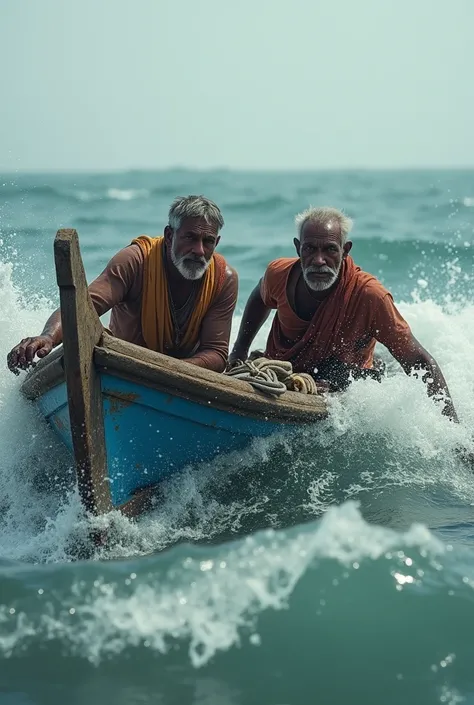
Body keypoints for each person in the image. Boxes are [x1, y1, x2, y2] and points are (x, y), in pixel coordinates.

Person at [229, 206, 458, 421]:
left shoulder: (369, 295)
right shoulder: (278, 274)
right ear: (298, 247)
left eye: (330, 249)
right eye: (310, 249)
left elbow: (418, 360)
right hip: (285, 373)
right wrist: (239, 349)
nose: (319, 260)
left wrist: (452, 431)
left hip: (347, 375)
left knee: (334, 371)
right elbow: (260, 296)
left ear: (345, 250)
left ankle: (374, 365)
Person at [7, 195, 238, 374]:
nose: (199, 251)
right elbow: (83, 309)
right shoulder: (135, 261)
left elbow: (216, 353)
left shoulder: (223, 279)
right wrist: (47, 337)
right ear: (169, 236)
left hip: (185, 377)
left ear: (216, 242)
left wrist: (170, 372)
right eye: (190, 238)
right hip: (123, 369)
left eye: (208, 242)